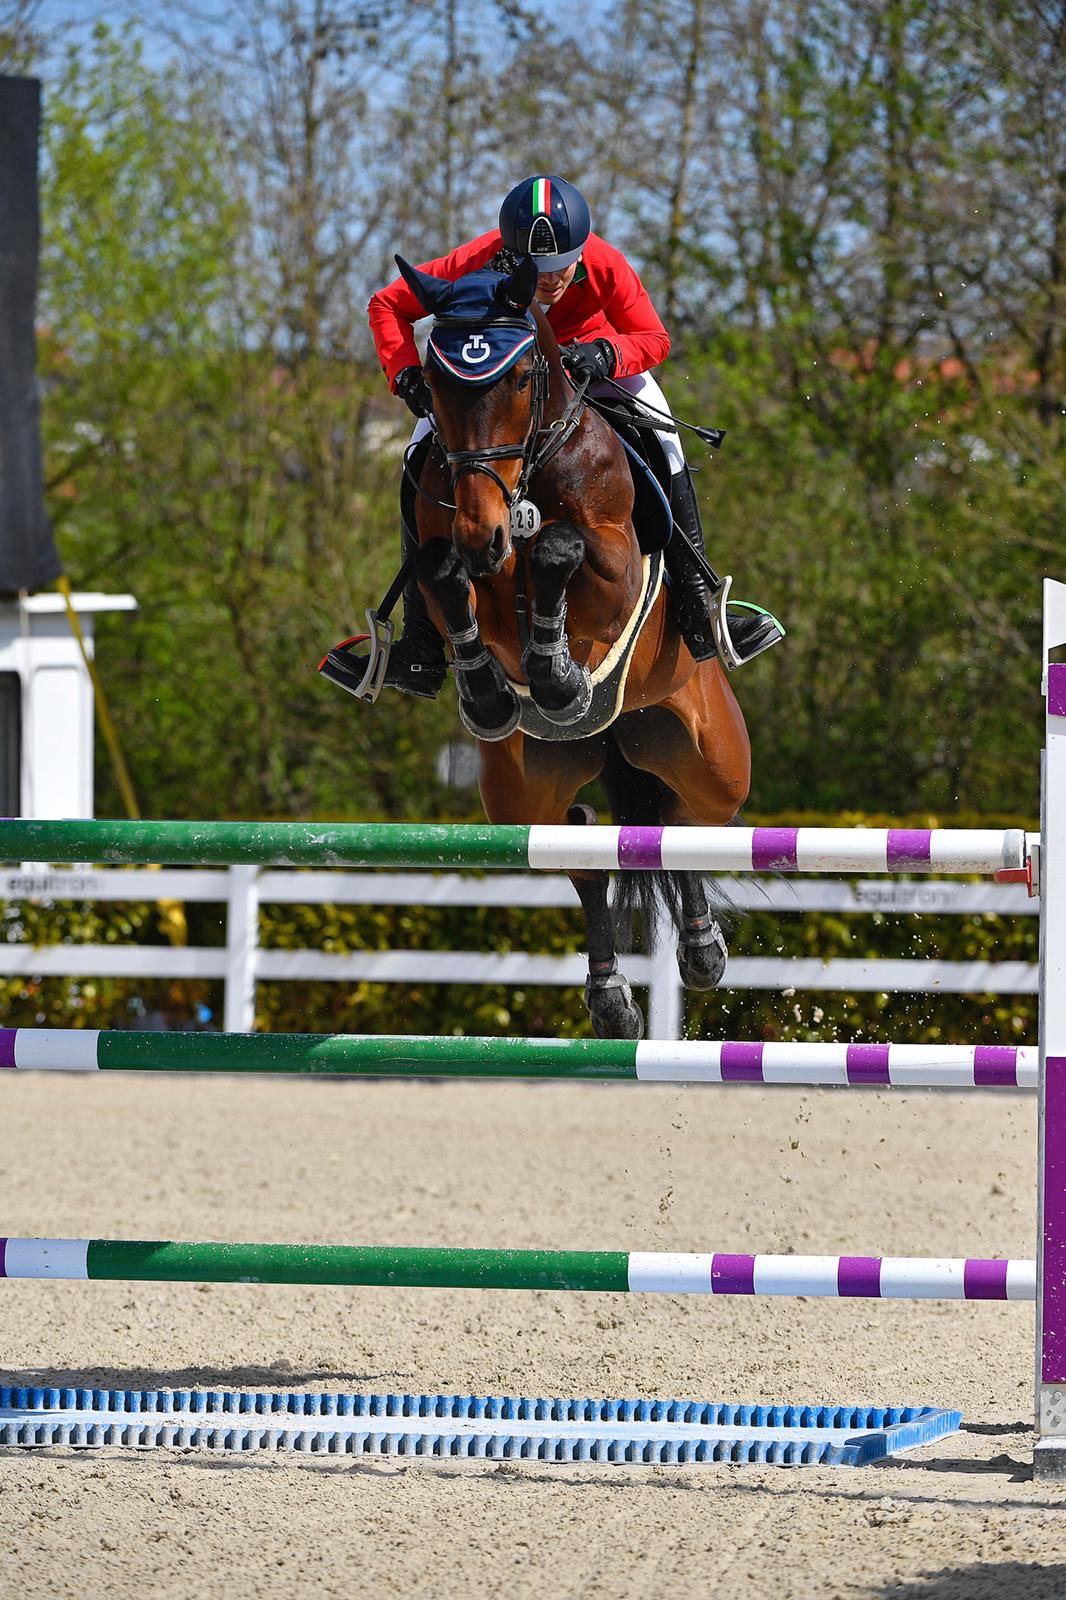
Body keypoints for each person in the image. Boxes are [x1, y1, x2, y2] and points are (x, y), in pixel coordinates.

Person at [366, 173, 785, 697]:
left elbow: (653, 337)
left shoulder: (605, 262)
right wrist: (404, 372)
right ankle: (421, 643)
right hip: (503, 378)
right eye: (534, 269)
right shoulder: (480, 256)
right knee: (416, 454)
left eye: (562, 265)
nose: (550, 279)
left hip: (591, 367)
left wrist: (607, 354)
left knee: (667, 439)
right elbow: (387, 304)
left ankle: (698, 598)